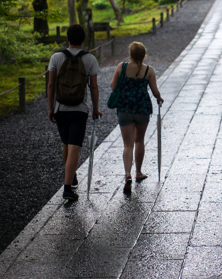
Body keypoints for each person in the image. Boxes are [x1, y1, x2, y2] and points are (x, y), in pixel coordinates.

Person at [47, 23, 101, 202]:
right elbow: (93, 86)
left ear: (68, 39)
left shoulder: (56, 57)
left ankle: (71, 176)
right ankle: (67, 188)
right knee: (74, 147)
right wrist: (95, 108)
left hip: (61, 108)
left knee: (66, 143)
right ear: (83, 39)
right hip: (79, 109)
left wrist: (50, 108)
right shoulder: (90, 59)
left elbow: (51, 85)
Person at [109, 42, 163, 193]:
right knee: (139, 140)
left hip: (125, 108)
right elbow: (155, 91)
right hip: (142, 109)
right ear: (144, 55)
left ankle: (127, 174)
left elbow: (113, 86)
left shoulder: (122, 67)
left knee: (128, 144)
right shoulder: (149, 70)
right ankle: (138, 172)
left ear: (130, 54)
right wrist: (159, 98)